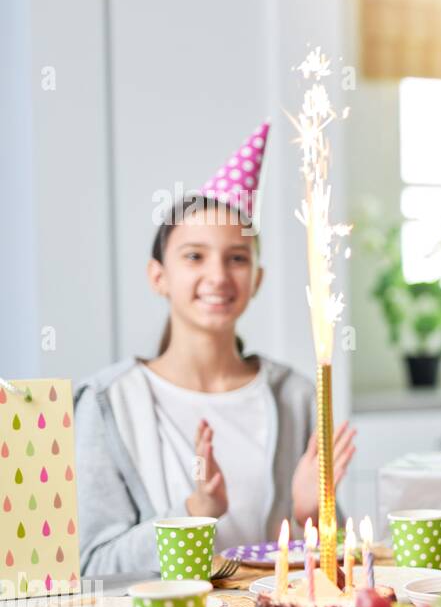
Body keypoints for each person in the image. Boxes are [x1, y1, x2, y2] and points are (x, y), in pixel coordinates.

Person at [76, 123, 356, 576]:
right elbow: (93, 567)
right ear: (158, 276)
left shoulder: (297, 394)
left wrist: (312, 514)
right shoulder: (105, 402)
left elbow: (335, 567)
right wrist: (194, 512)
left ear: (257, 279)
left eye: (237, 258)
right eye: (194, 256)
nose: (219, 277)